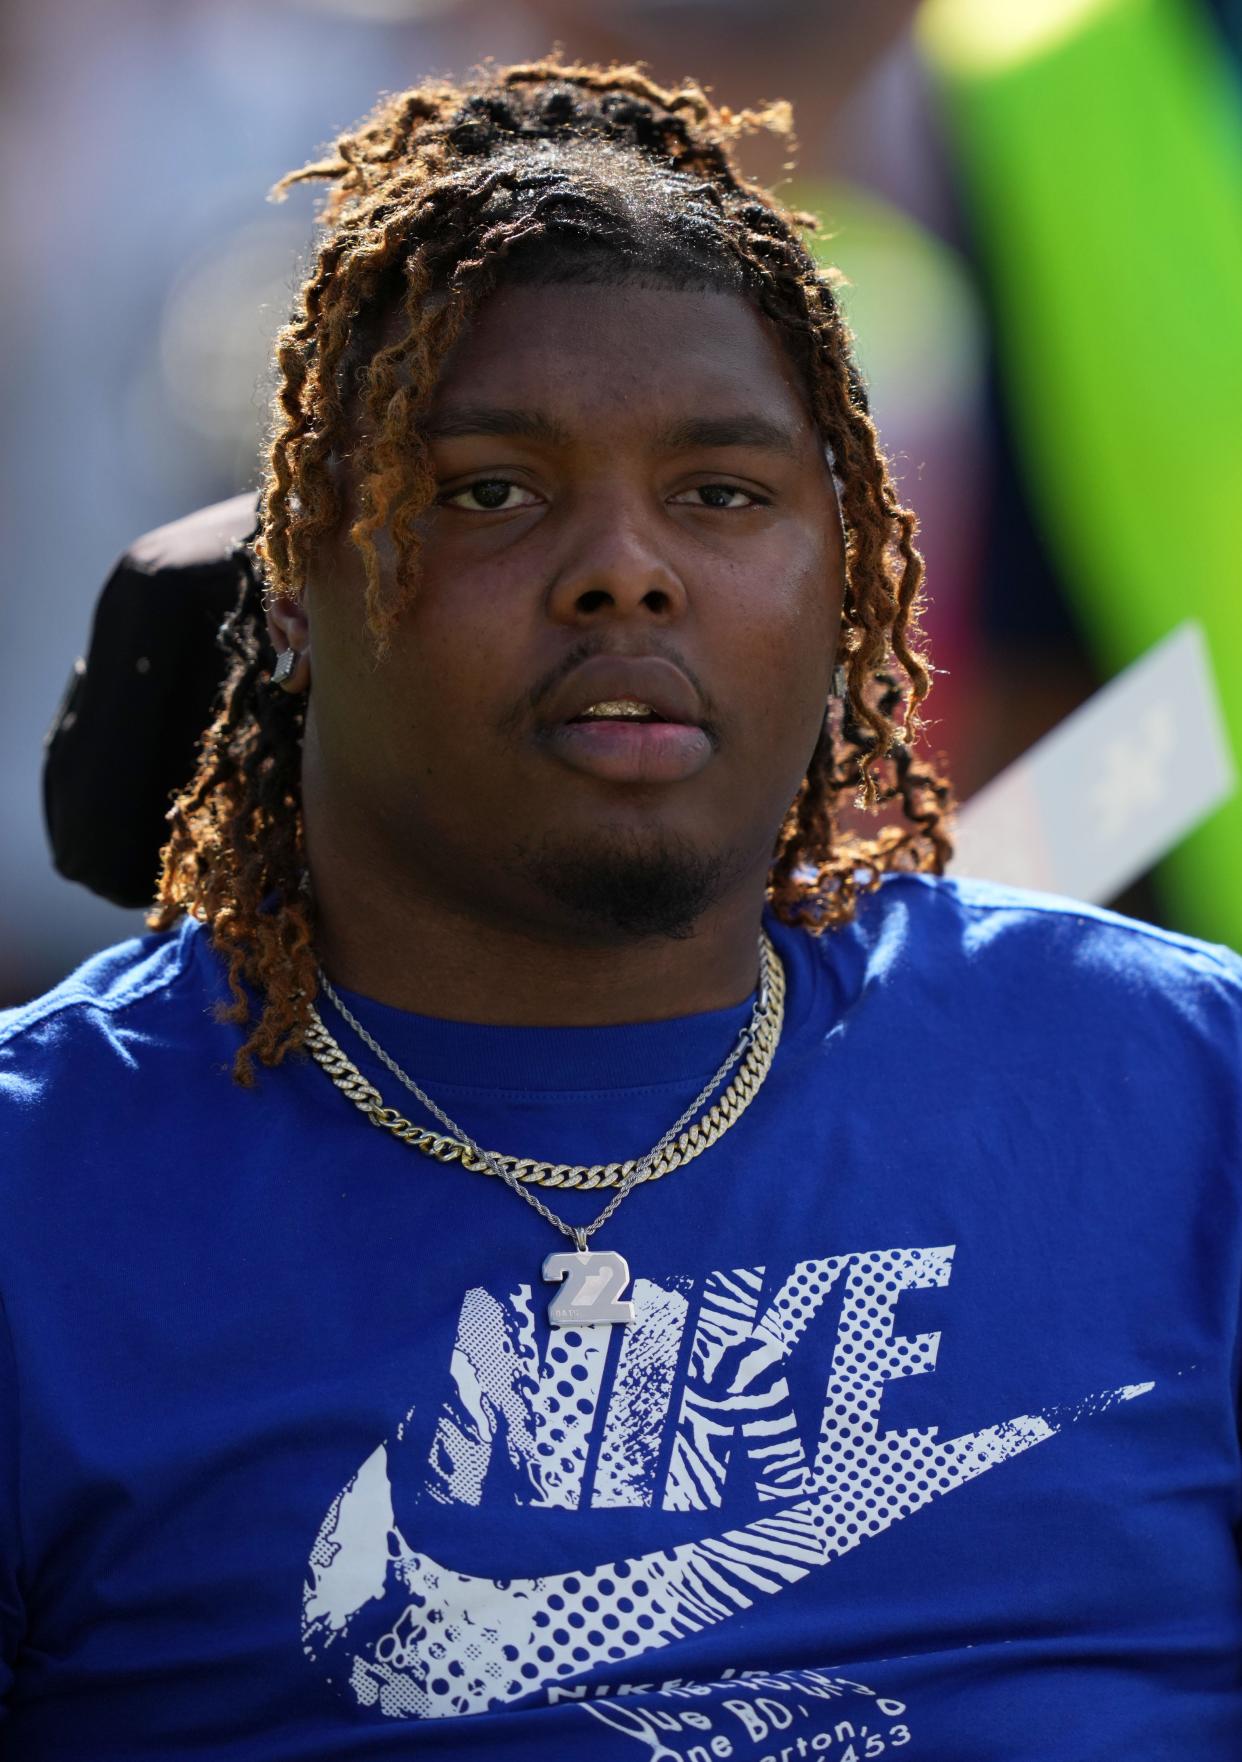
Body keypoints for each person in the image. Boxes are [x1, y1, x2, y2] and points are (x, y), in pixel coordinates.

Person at [2, 61, 1240, 1761]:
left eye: (722, 494)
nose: (625, 568)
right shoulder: (43, 1201)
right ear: (291, 590)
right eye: (490, 489)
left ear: (852, 580)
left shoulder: (1181, 1096)